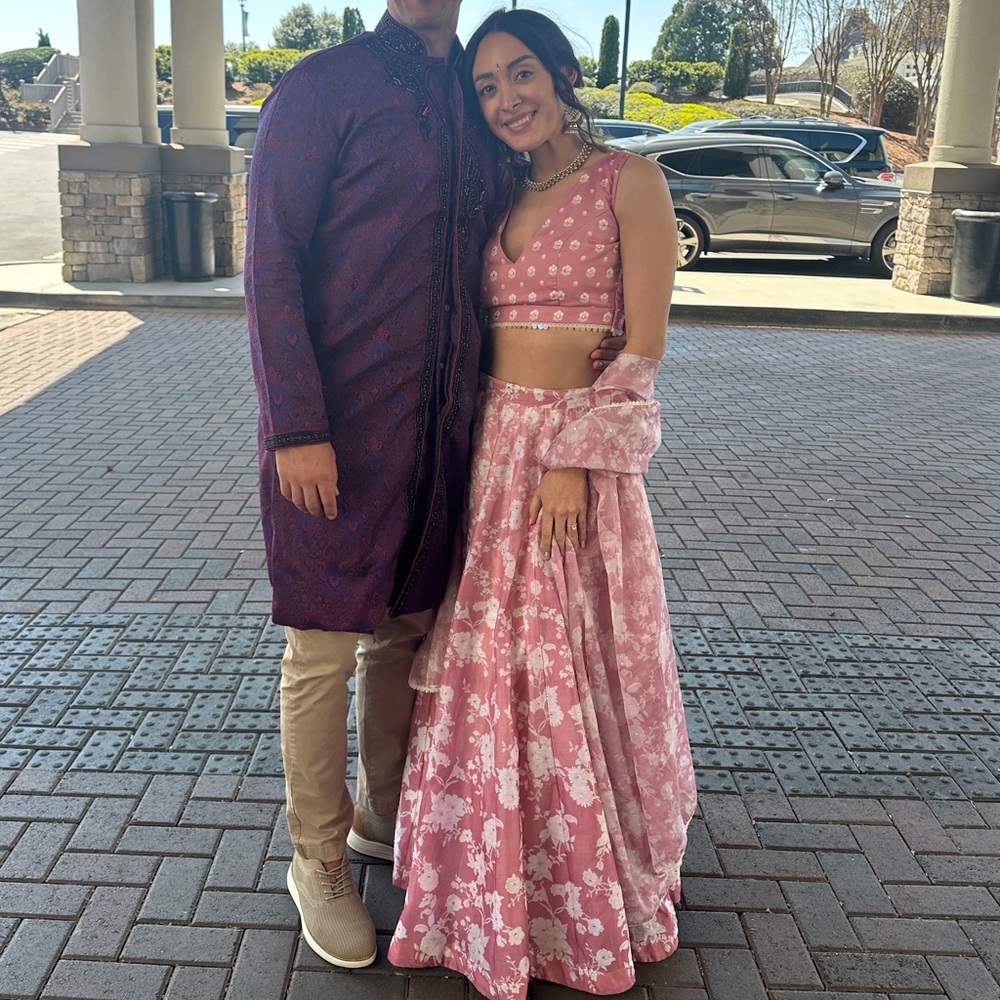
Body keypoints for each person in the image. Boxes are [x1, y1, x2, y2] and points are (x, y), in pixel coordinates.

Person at [245, 0, 623, 971]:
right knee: (324, 648)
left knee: (406, 636)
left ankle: (384, 816)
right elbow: (272, 262)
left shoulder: (474, 98)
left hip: (450, 438)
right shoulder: (320, 89)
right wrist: (295, 425)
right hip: (333, 434)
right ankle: (317, 861)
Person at [388, 10, 698, 1000]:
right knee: (492, 672)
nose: (506, 99)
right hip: (491, 456)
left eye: (521, 74)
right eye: (485, 87)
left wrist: (572, 456)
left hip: (574, 468)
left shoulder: (631, 181)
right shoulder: (498, 194)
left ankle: (582, 885)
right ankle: (485, 883)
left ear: (562, 74)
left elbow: (642, 349)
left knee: (572, 664)